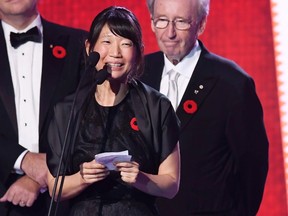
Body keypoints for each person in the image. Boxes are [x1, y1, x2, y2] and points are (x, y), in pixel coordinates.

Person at [46, 6, 180, 216]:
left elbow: (171, 184)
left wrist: (141, 178)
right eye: (107, 42)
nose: (115, 53)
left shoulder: (156, 106)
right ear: (90, 48)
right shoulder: (67, 109)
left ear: (138, 51)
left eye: (126, 43)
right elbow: (55, 188)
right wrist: (83, 178)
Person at [141, 0, 269, 215]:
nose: (169, 33)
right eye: (162, 21)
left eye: (181, 22)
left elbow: (252, 166)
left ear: (200, 25)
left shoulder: (232, 83)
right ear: (152, 23)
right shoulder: (139, 75)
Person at [0, 0, 87, 215]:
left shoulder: (79, 44)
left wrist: (42, 173)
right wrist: (23, 159)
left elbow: (91, 121)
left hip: (64, 197)